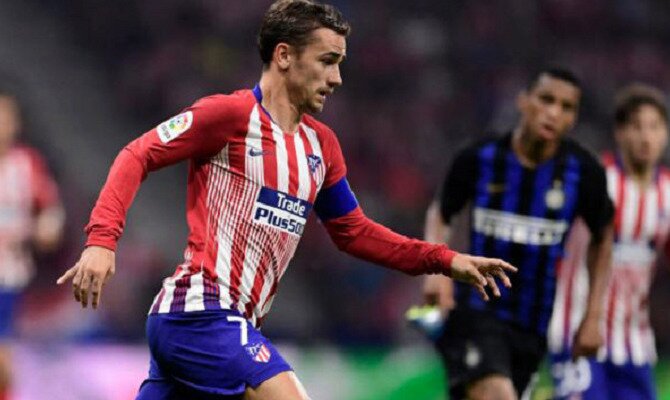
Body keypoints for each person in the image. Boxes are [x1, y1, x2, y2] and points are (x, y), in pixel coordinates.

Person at [56, 1, 516, 399]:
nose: (337, 78)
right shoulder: (230, 116)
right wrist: (102, 241)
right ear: (283, 56)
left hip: (229, 324)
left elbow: (354, 232)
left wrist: (444, 259)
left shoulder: (322, 147)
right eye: (328, 61)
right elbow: (137, 154)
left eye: (340, 64)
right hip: (200, 312)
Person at [422, 68, 615, 400]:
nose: (554, 112)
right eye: (546, 100)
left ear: (573, 118)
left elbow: (604, 236)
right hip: (476, 311)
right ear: (524, 102)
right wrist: (436, 273)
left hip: (533, 322)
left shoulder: (583, 172)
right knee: (497, 394)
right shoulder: (480, 158)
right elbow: (441, 212)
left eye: (566, 107)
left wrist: (593, 315)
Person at [548, 84, 669, 400]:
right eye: (637, 126)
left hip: (633, 340)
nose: (646, 137)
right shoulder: (595, 180)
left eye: (654, 127)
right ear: (620, 132)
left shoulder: (667, 194)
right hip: (576, 327)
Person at [0, 89, 65, 399]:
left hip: (6, 276)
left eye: (6, 117)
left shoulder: (27, 164)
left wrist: (45, 228)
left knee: (3, 362)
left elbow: (51, 212)